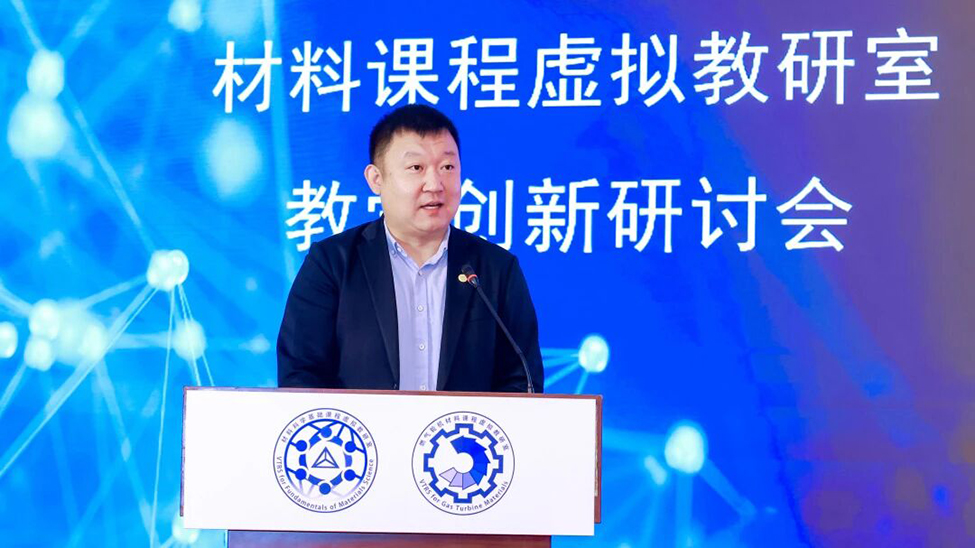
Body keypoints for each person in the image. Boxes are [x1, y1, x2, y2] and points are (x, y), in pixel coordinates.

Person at [277, 104, 544, 392]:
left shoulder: (496, 270)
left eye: (447, 167)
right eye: (416, 168)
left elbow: (522, 380)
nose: (435, 184)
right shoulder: (332, 264)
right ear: (376, 179)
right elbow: (300, 375)